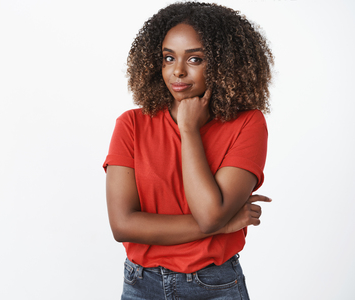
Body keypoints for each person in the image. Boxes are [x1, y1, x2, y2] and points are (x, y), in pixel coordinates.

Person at [103, 2, 274, 299]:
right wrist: (224, 226)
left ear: (225, 63)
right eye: (168, 58)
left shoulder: (248, 124)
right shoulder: (131, 125)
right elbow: (123, 225)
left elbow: (209, 214)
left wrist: (189, 130)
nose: (178, 71)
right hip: (142, 285)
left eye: (195, 59)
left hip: (215, 286)